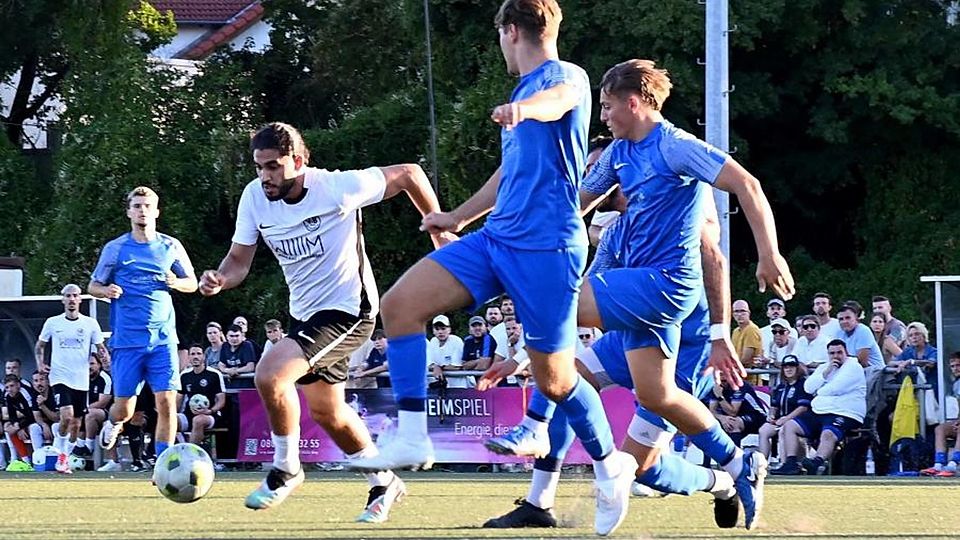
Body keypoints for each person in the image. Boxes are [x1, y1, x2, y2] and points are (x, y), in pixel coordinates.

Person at [348, 3, 638, 535]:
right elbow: (509, 173)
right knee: (400, 305)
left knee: (555, 380)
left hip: (548, 249)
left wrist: (525, 111)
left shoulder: (562, 77)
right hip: (496, 239)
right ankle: (413, 435)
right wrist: (455, 216)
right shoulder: (520, 94)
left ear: (510, 32)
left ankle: (608, 464)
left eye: (500, 36)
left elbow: (559, 102)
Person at [565, 58, 793, 529]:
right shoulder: (618, 157)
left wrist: (768, 257)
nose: (602, 117)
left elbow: (745, 189)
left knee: (557, 305)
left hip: (671, 296)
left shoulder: (676, 147)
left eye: (607, 107)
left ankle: (602, 467)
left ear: (633, 102)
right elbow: (576, 206)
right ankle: (733, 470)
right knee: (631, 390)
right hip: (640, 301)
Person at [199, 122, 446, 520]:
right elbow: (239, 261)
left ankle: (286, 467)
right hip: (306, 316)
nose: (266, 176)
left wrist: (438, 230)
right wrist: (220, 278)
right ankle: (384, 482)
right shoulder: (253, 198)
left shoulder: (337, 188)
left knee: (270, 374)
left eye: (275, 167)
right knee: (328, 413)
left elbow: (409, 174)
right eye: (260, 167)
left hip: (350, 311)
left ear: (299, 161)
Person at [88, 186, 197, 470]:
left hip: (162, 339)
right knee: (125, 408)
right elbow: (92, 285)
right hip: (127, 341)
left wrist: (176, 282)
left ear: (157, 211)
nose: (142, 210)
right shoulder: (116, 248)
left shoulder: (170, 246)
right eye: (137, 206)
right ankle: (114, 423)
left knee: (167, 402)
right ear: (128, 212)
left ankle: (165, 463)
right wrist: (105, 290)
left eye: (147, 206)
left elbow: (193, 283)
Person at [34, 283, 109, 473]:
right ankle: (59, 449)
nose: (72, 299)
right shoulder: (53, 322)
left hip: (80, 379)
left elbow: (100, 348)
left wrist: (105, 358)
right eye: (68, 296)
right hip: (60, 376)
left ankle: (64, 457)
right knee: (66, 416)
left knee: (76, 423)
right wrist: (40, 364)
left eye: (75, 296)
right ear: (63, 300)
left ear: (80, 299)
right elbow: (39, 346)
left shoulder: (90, 324)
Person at [772, 340, 866, 475]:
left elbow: (835, 389)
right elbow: (808, 388)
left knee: (828, 433)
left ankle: (816, 463)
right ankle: (791, 463)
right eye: (832, 353)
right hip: (820, 411)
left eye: (839, 352)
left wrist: (820, 390)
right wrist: (826, 373)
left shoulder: (853, 366)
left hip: (846, 412)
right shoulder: (825, 367)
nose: (836, 356)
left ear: (846, 352)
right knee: (790, 426)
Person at [757, 356, 811, 459]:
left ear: (797, 368)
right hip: (779, 420)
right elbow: (774, 406)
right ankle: (762, 464)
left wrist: (786, 419)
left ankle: (784, 463)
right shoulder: (781, 387)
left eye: (792, 367)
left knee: (784, 430)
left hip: (797, 421)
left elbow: (803, 407)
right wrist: (771, 415)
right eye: (786, 367)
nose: (789, 369)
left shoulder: (803, 385)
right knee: (763, 430)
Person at [177, 344, 227, 447]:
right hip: (188, 414)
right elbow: (178, 399)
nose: (196, 357)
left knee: (198, 420)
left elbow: (221, 400)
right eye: (193, 354)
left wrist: (210, 410)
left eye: (199, 354)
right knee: (171, 421)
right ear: (189, 357)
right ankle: (179, 448)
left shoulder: (214, 374)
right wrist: (172, 413)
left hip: (210, 415)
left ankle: (191, 453)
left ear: (204, 356)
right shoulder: (185, 375)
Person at [921, 352, 960, 476]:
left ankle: (954, 464)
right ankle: (939, 464)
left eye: (958, 365)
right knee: (940, 429)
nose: (955, 369)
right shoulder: (956, 384)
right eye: (953, 366)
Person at [79, 355, 112, 458]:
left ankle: (89, 446)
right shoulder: (81, 378)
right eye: (87, 364)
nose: (89, 367)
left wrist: (83, 409)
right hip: (86, 410)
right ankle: (77, 448)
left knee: (90, 414)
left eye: (92, 364)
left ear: (99, 365)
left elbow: (102, 403)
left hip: (107, 413)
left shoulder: (105, 378)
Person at [837, 305, 884, 370]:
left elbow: (862, 362)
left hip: (874, 372)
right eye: (841, 319)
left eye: (848, 318)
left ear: (856, 318)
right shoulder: (840, 333)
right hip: (852, 370)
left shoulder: (863, 330)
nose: (844, 321)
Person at [426, 315, 467, 388]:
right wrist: (435, 367)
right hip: (440, 387)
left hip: (458, 386)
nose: (440, 332)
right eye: (437, 329)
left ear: (449, 330)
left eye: (443, 329)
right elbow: (430, 364)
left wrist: (439, 367)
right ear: (433, 331)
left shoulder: (456, 341)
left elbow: (457, 366)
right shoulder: (433, 341)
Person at [731, 300, 763, 371]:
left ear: (748, 313)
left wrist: (729, 366)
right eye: (736, 311)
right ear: (732, 314)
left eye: (742, 311)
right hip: (737, 374)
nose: (739, 314)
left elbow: (746, 359)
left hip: (750, 376)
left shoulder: (752, 329)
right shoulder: (735, 331)